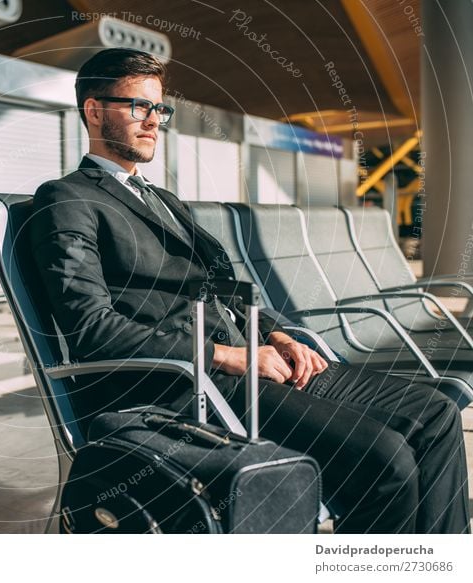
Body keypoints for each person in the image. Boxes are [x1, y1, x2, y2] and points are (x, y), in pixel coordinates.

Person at [29, 48, 470, 534]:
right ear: (94, 110)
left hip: (253, 358)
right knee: (386, 461)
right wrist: (229, 356)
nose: (155, 121)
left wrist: (278, 335)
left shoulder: (163, 199)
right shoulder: (67, 199)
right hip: (188, 383)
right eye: (139, 106)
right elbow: (92, 328)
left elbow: (226, 290)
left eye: (160, 109)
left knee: (436, 413)